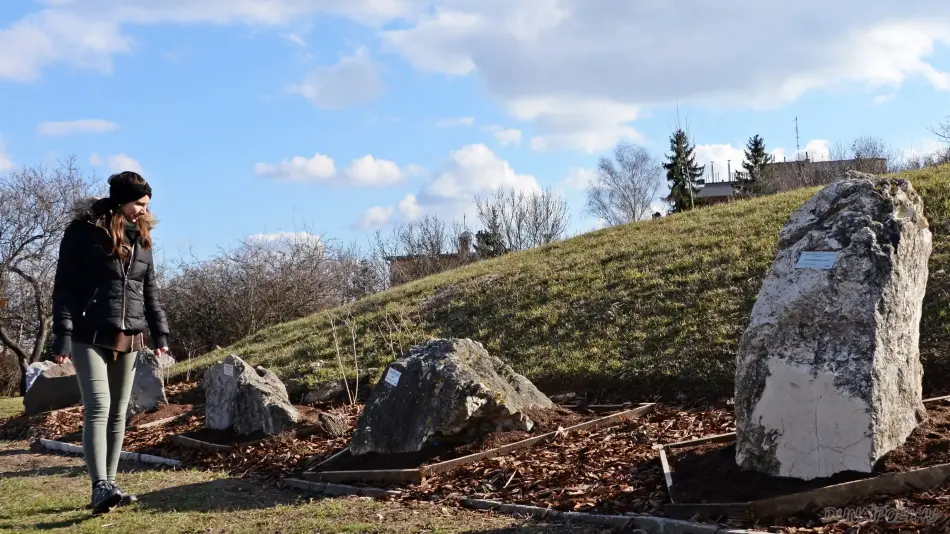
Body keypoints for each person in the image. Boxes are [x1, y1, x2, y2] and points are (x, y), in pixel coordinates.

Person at [49, 170, 171, 515]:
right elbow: (64, 288)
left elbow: (149, 291)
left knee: (119, 412)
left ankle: (110, 485)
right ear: (120, 200)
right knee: (99, 407)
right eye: (138, 204)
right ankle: (99, 484)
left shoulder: (143, 239)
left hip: (130, 334)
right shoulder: (82, 233)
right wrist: (63, 335)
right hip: (89, 333)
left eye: (146, 205)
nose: (143, 211)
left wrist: (160, 334)